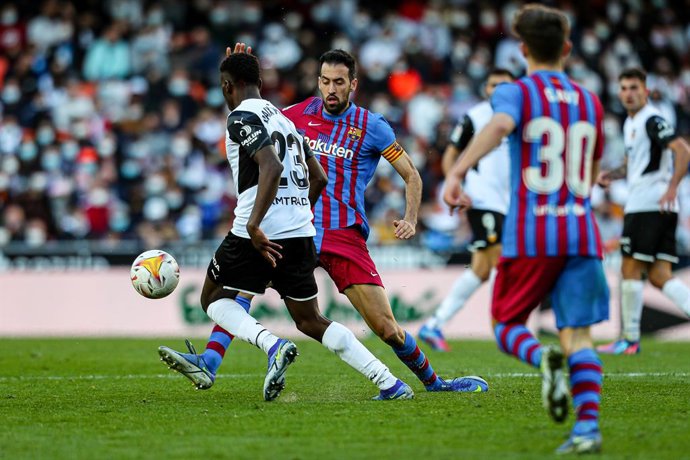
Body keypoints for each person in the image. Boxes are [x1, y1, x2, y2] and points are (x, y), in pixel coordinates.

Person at [160, 47, 488, 395]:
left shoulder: (372, 127)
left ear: (353, 84)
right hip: (298, 228)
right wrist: (244, 63)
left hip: (342, 235)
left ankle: (433, 384)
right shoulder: (295, 114)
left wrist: (410, 217)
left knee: (386, 327)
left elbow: (412, 175)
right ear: (318, 81)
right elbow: (257, 112)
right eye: (326, 82)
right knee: (242, 289)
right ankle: (210, 362)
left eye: (339, 83)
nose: (331, 89)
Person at [444, 4, 608, 454]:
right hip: (581, 229)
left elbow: (500, 125)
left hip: (533, 231)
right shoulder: (591, 101)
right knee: (579, 334)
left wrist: (458, 171)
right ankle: (587, 430)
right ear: (568, 48)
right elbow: (592, 171)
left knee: (506, 324)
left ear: (522, 49)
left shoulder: (517, 92)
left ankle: (543, 359)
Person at [419, 68, 514, 352]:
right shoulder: (475, 116)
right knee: (500, 262)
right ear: (485, 88)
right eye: (493, 84)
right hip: (481, 198)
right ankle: (505, 328)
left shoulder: (516, 116)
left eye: (504, 85)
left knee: (481, 269)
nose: (498, 90)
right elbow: (450, 156)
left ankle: (434, 324)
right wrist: (457, 185)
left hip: (509, 201)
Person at [596, 68, 690, 355]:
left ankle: (629, 339)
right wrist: (612, 174)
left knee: (630, 268)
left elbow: (682, 150)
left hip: (647, 204)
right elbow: (633, 163)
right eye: (623, 88)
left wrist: (673, 185)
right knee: (660, 275)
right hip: (658, 205)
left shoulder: (652, 119)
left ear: (645, 91)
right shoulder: (631, 124)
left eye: (634, 87)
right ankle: (629, 339)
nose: (628, 93)